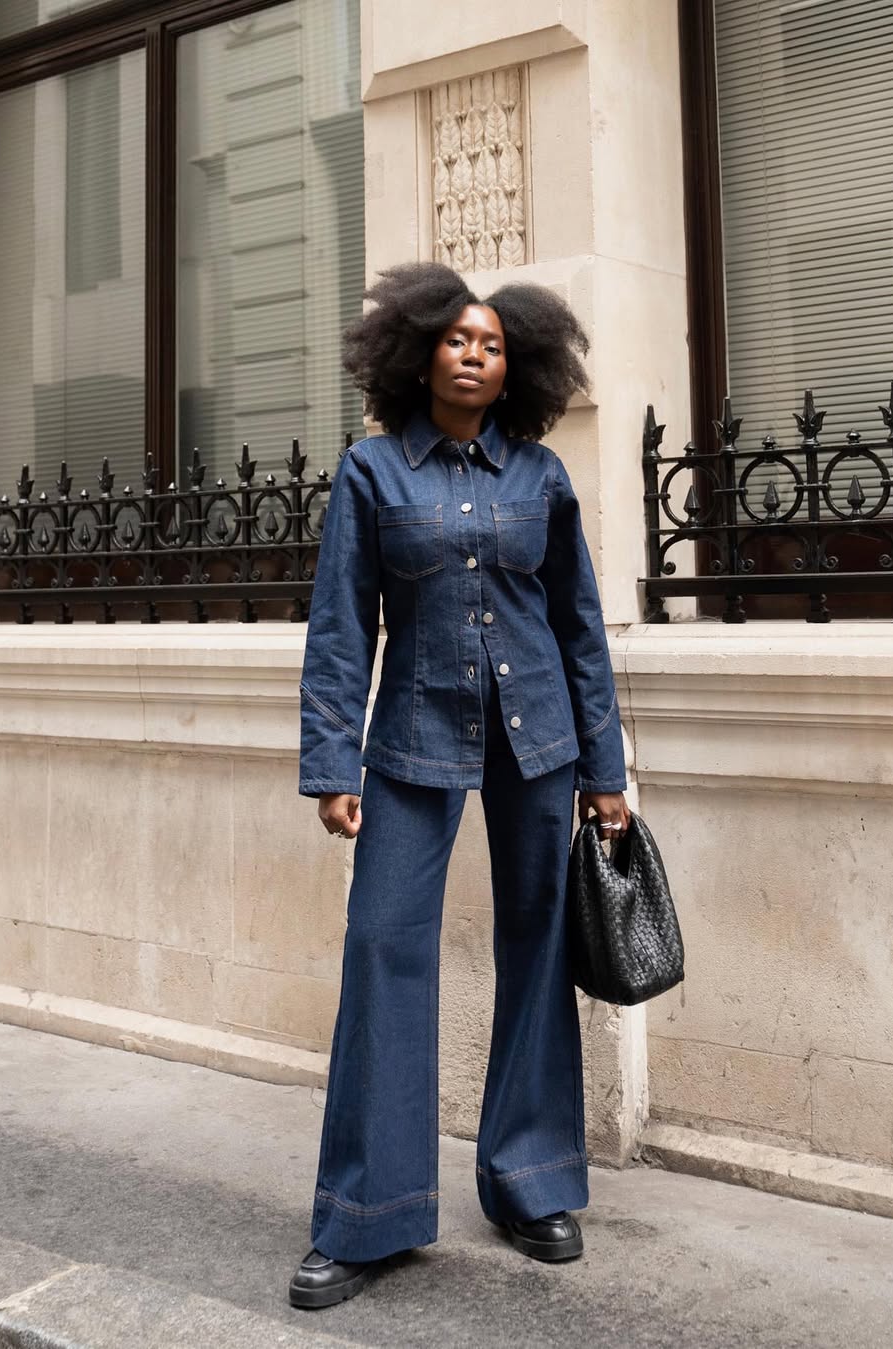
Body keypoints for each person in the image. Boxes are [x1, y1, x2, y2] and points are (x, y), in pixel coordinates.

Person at [290, 261, 630, 1310]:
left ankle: (530, 1181)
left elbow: (579, 626)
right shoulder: (372, 473)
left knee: (537, 949)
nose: (475, 352)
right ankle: (367, 1213)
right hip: (410, 741)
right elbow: (343, 626)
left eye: (492, 342)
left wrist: (607, 770)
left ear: (514, 363)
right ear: (419, 352)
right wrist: (329, 761)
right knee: (385, 946)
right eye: (457, 339)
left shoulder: (542, 477)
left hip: (541, 743)